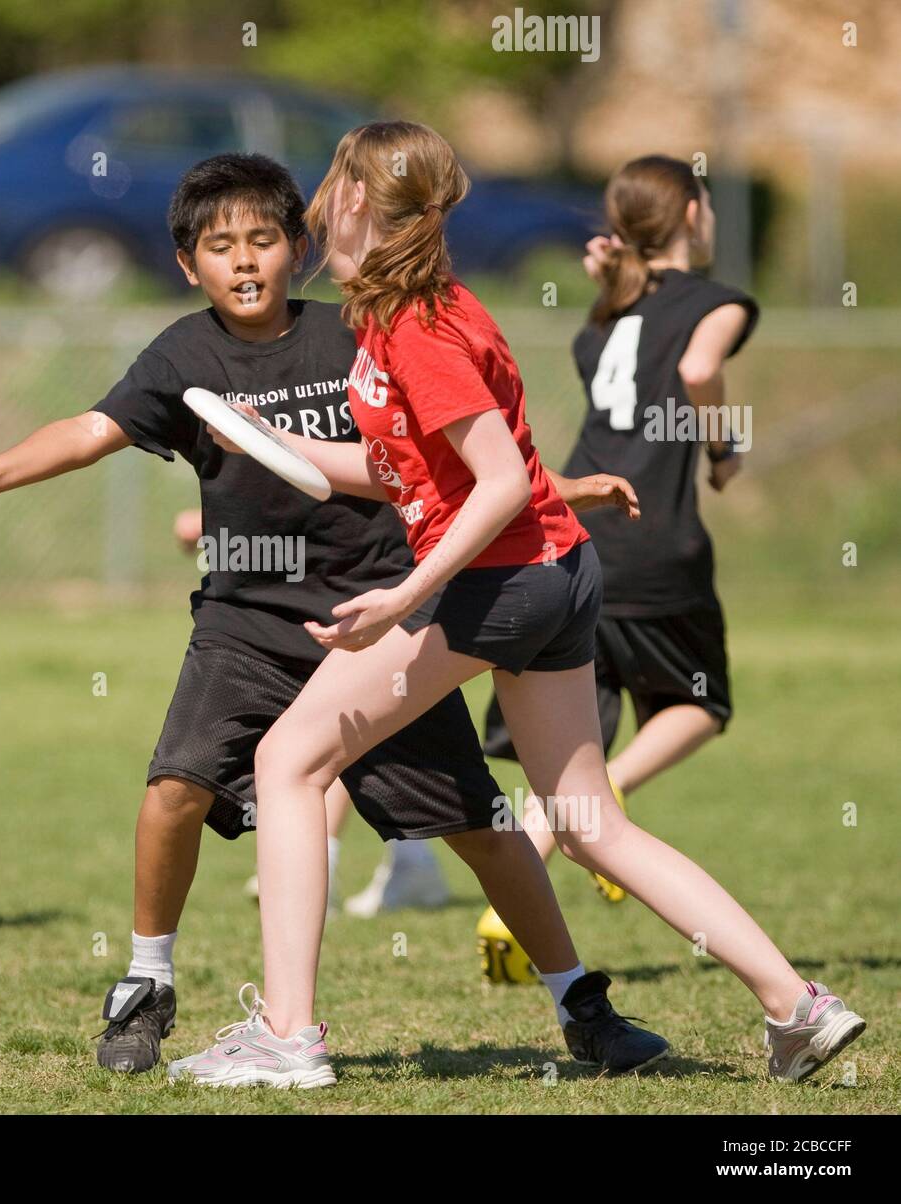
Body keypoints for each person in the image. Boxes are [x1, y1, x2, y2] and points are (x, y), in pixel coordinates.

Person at [0, 152, 662, 1076]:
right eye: (220, 247)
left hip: (377, 618)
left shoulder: (358, 335)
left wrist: (564, 490)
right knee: (175, 787)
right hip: (244, 618)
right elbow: (92, 431)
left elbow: (459, 461)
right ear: (188, 263)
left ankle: (580, 1002)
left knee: (481, 825)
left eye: (263, 239)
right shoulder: (182, 355)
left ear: (300, 247)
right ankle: (146, 983)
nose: (244, 261)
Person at [170, 123, 866, 1088]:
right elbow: (401, 466)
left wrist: (404, 594)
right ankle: (798, 1007)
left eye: (333, 184)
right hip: (556, 573)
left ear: (366, 205)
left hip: (497, 581)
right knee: (590, 822)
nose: (319, 203)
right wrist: (268, 441)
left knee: (288, 759)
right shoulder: (400, 312)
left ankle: (287, 1038)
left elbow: (497, 479)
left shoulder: (418, 323)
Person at [478, 156, 759, 962]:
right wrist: (723, 444)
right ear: (696, 214)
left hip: (573, 535)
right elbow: (701, 367)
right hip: (655, 538)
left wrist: (610, 284)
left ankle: (509, 902)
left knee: (568, 750)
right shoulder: (715, 301)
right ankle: (619, 798)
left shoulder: (606, 314)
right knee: (701, 705)